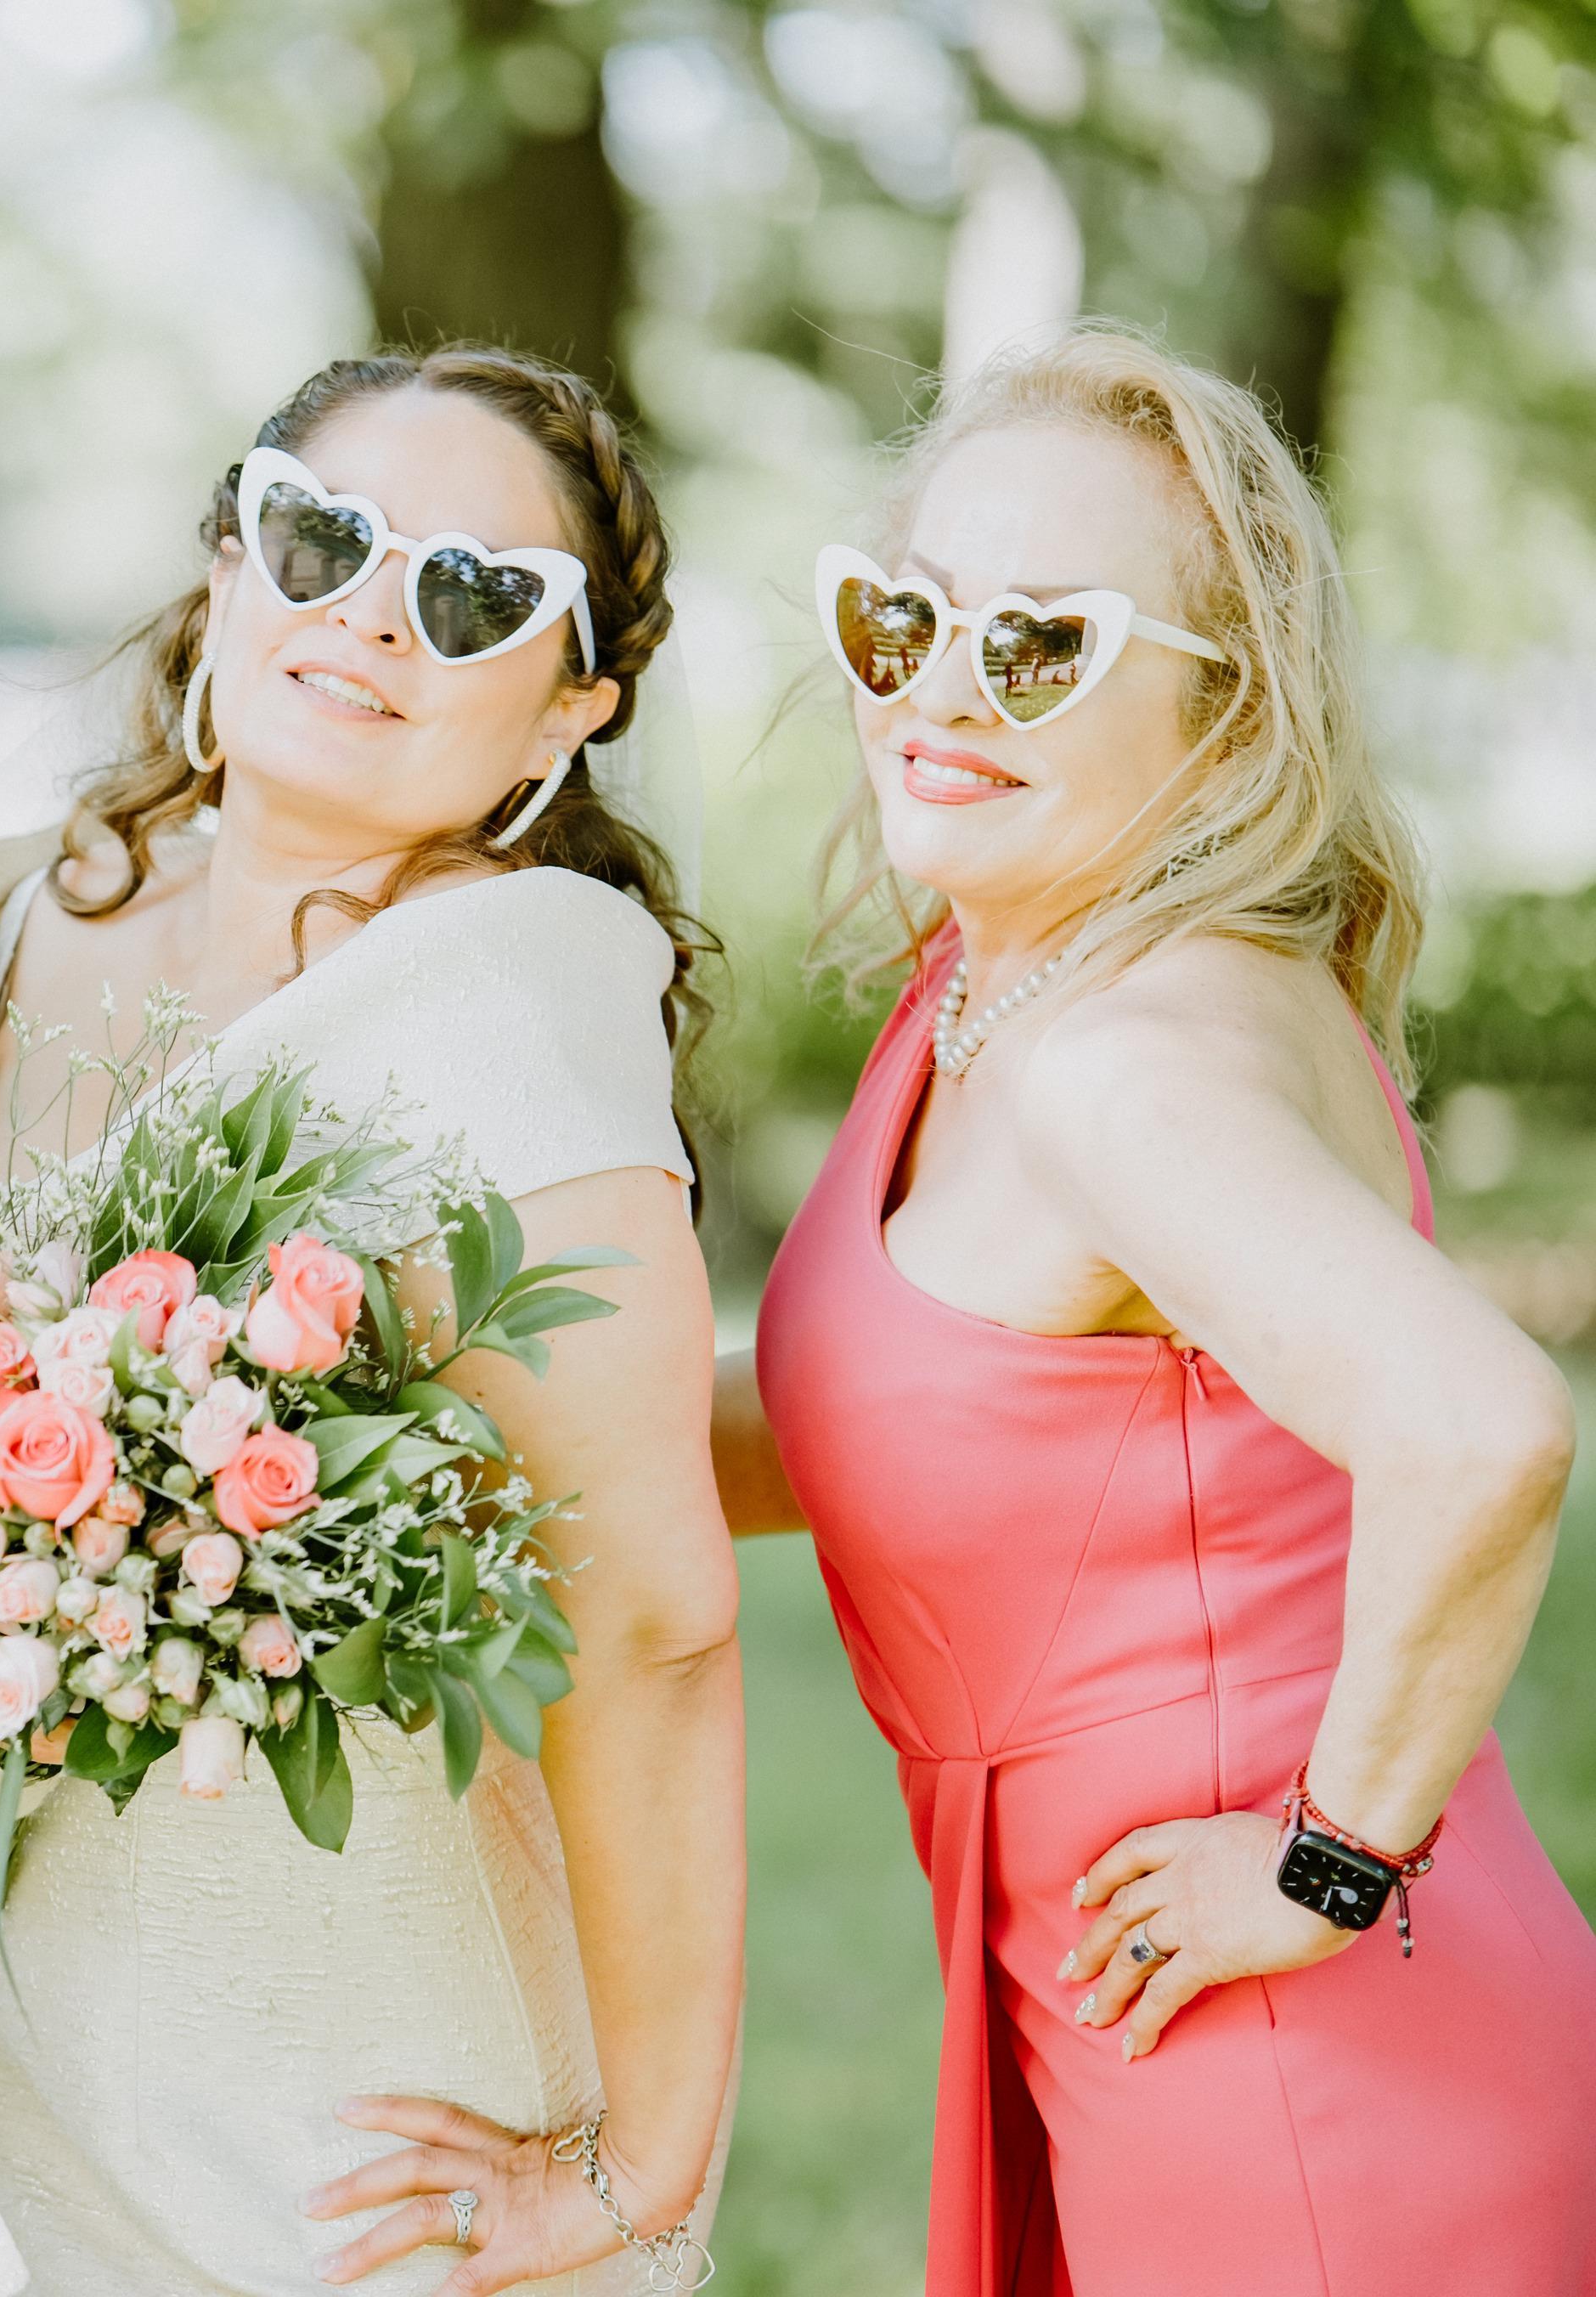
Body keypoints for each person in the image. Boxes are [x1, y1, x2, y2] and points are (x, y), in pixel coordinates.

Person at [0, 347, 744, 2297]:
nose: (373, 612)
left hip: (369, 2102)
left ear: (574, 699)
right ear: (228, 561)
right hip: (46, 2043)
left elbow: (656, 1624)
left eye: (473, 593)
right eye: (323, 537)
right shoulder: (0, 928)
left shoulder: (511, 1010)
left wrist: (645, 2171)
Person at [726, 326, 1596, 2296]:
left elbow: (1484, 1424)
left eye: (1040, 642)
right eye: (904, 615)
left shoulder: (1126, 1060)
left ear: (1224, 711)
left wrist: (1325, 1857)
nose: (941, 690)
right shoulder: (1007, 981)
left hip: (1302, 2081)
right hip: (1162, 2024)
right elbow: (895, 1424)